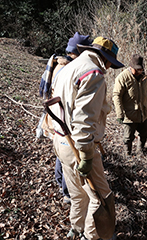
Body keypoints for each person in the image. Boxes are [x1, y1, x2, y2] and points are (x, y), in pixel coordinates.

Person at [50, 36, 124, 240]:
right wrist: (86, 154)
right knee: (101, 196)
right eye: (111, 63)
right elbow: (84, 119)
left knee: (77, 193)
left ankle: (76, 227)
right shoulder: (94, 73)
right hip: (77, 145)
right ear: (106, 58)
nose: (110, 68)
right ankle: (92, 237)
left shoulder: (69, 67)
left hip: (60, 140)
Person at [37, 32, 93, 204]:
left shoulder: (59, 64)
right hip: (61, 118)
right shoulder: (67, 68)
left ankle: (62, 184)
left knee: (61, 154)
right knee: (65, 154)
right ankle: (66, 190)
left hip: (57, 117)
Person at [113, 54, 147, 156]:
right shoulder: (122, 78)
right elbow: (117, 96)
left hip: (143, 112)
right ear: (131, 67)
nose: (139, 71)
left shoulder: (145, 78)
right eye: (137, 69)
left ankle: (140, 150)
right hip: (129, 114)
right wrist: (119, 114)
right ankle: (127, 155)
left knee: (145, 134)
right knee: (128, 138)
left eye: (141, 69)